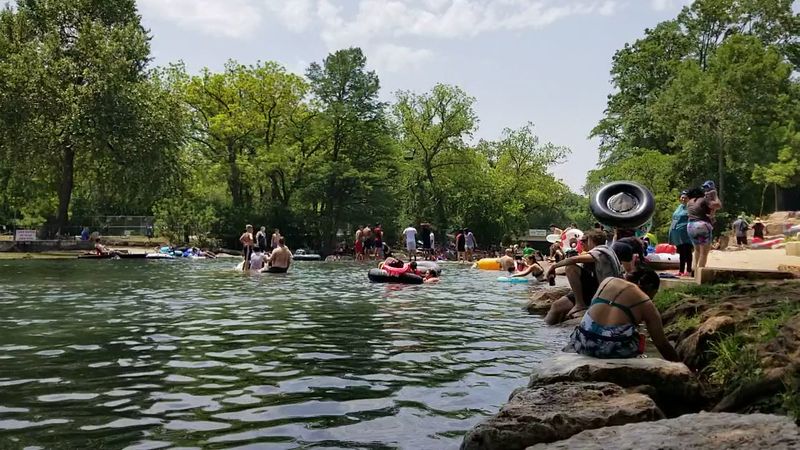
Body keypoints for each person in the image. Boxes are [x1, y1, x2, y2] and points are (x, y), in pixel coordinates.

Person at [564, 269, 679, 361]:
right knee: (637, 336)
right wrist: (679, 364)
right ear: (651, 288)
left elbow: (591, 309)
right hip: (613, 351)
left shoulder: (607, 281)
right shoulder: (645, 302)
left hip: (582, 342)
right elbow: (662, 344)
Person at [543, 229, 624, 325]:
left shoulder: (602, 252)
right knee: (556, 306)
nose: (581, 243)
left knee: (570, 268)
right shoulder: (599, 252)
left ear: (591, 240)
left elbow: (574, 260)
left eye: (584, 240)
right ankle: (545, 331)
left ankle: (580, 304)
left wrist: (553, 266)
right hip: (592, 290)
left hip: (603, 293)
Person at [687, 183, 722, 275]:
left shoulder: (689, 202)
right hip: (702, 225)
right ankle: (700, 274)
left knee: (697, 250)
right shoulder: (704, 200)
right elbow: (718, 205)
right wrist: (715, 195)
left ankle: (693, 271)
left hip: (690, 226)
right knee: (704, 253)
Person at [669, 190, 693, 276]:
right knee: (681, 253)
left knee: (688, 252)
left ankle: (689, 271)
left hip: (686, 234)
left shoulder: (690, 207)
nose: (683, 199)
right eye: (682, 197)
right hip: (677, 235)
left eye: (685, 198)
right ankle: (681, 271)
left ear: (689, 198)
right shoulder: (679, 207)